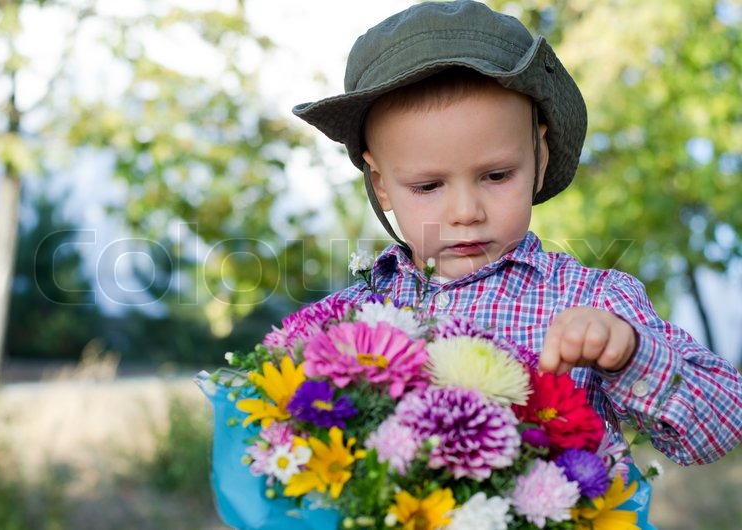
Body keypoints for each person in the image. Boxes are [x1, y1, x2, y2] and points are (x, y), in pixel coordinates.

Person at [292, 0, 742, 474]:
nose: (466, 212)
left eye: (497, 175)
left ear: (539, 159)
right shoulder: (346, 319)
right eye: (428, 186)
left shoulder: (594, 301)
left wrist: (629, 352)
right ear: (381, 185)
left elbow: (721, 425)